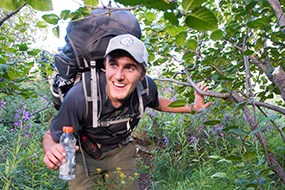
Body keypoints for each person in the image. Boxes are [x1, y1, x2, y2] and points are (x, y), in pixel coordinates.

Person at [43, 34, 211, 190]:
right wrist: (51, 150)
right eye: (113, 65)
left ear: (142, 73)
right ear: (105, 66)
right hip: (83, 155)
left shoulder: (145, 88)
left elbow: (158, 103)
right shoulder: (80, 96)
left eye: (130, 68)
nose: (119, 76)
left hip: (120, 150)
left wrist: (192, 107)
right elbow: (51, 135)